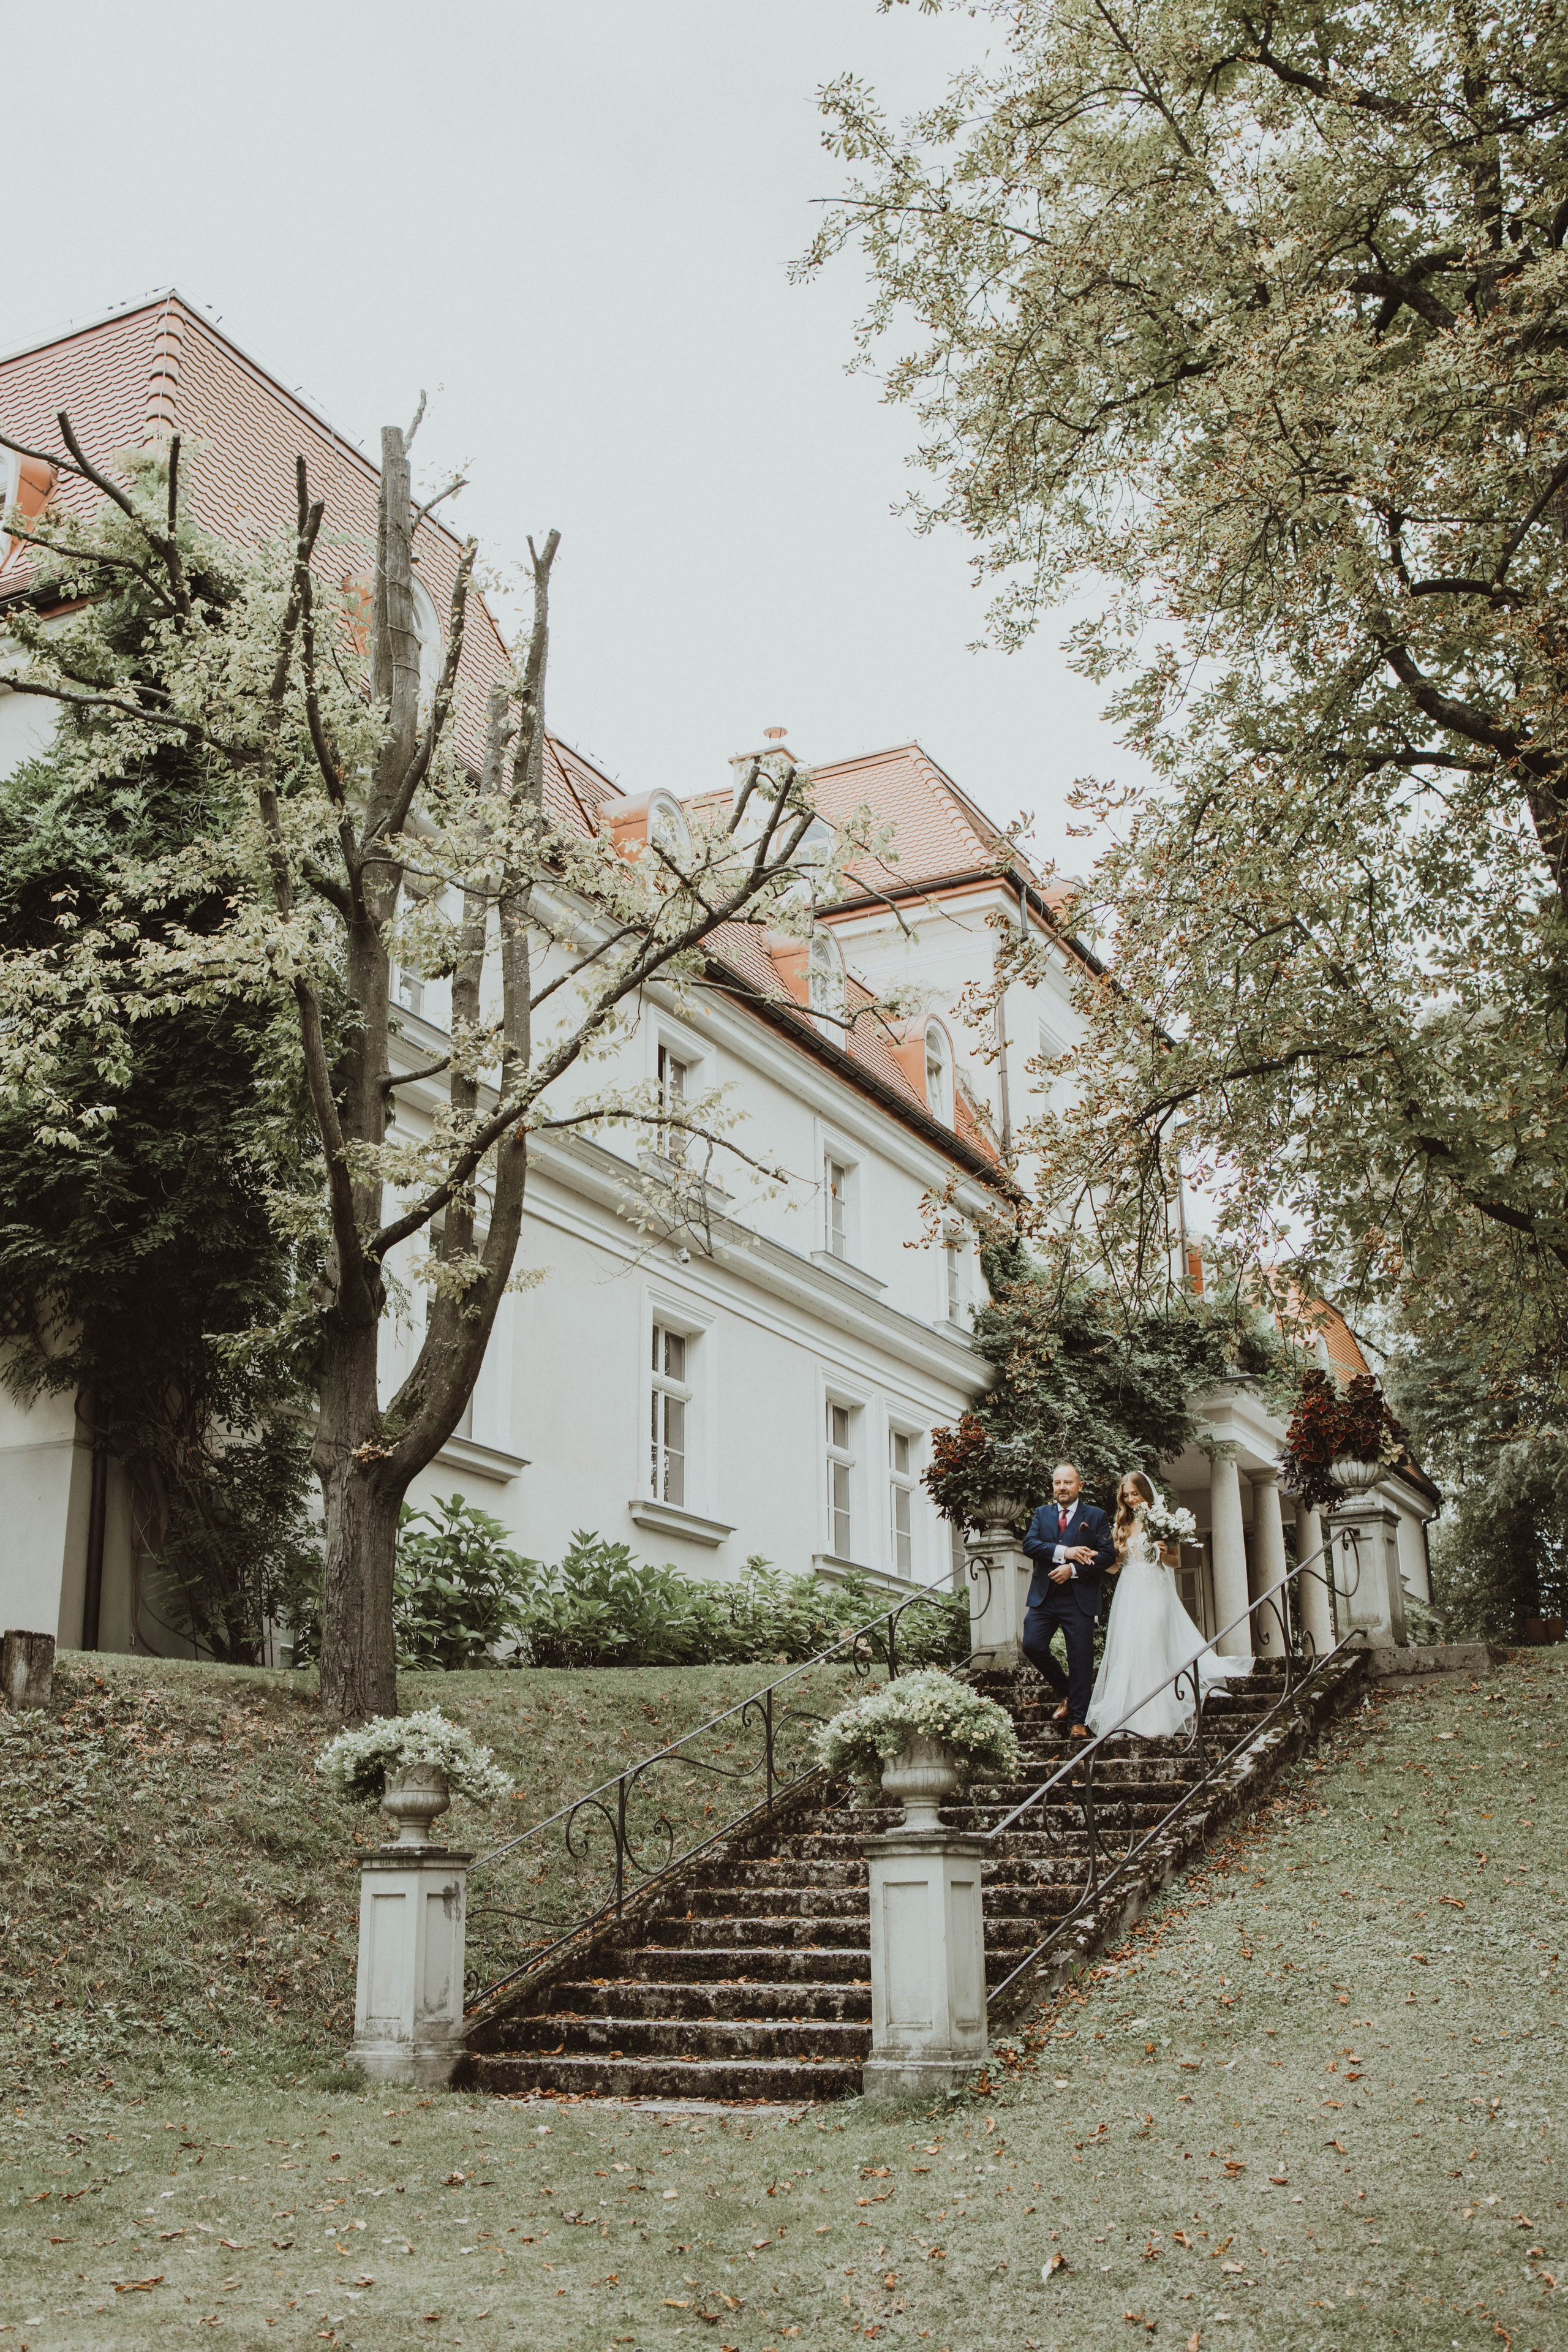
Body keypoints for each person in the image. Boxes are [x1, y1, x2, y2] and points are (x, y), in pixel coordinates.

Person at [1086, 1471, 1252, 1740]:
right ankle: (1129, 1718)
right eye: (1126, 1496)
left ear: (1146, 1494)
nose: (1130, 1500)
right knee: (1131, 1650)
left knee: (1151, 1645)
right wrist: (1110, 1557)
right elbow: (1115, 1569)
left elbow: (1177, 1563)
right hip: (1129, 1591)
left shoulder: (1161, 1522)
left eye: (1135, 1495)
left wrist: (1164, 1553)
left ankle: (1157, 1719)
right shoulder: (1121, 1526)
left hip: (1156, 1589)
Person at [1020, 1460, 1116, 1739]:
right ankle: (1066, 1692)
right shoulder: (1042, 1514)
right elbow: (1030, 1545)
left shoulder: (1095, 1516)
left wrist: (1073, 1569)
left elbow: (1107, 1556)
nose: (1062, 1487)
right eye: (1058, 1483)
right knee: (1032, 1645)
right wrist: (1067, 1552)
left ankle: (1078, 1721)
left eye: (1068, 1482)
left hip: (1079, 1599)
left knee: (1081, 1659)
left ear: (1080, 1485)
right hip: (1045, 1598)